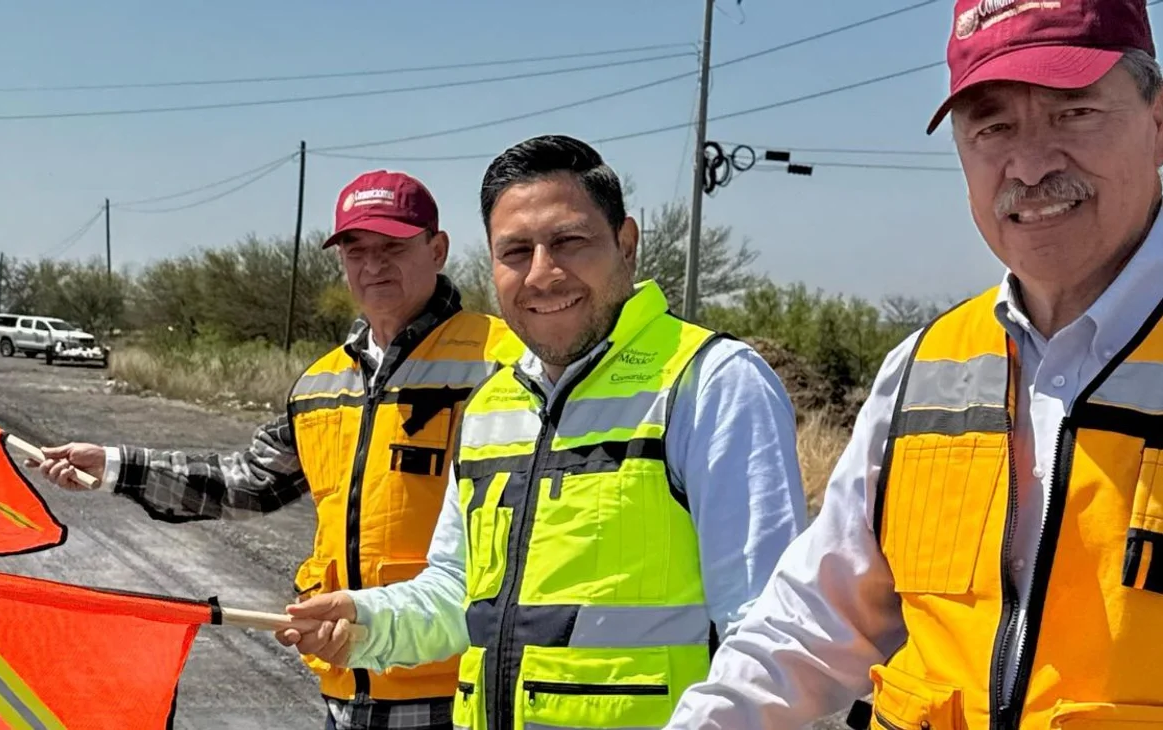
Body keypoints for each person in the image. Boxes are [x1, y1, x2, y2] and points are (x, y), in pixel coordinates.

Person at [664, 1, 1163, 729]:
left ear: (1158, 120)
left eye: (1074, 112)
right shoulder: (923, 369)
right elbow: (808, 628)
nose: (1028, 163)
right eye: (992, 127)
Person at [279, 135, 808, 730]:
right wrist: (365, 620)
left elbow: (771, 633)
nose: (542, 274)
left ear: (626, 244)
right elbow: (456, 596)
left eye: (568, 242)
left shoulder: (709, 384)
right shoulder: (492, 403)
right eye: (514, 252)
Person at [31, 170, 516, 730]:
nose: (373, 265)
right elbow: (246, 481)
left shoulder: (501, 363)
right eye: (356, 250)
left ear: (437, 249)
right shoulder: (321, 383)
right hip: (344, 683)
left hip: (458, 691)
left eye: (393, 247)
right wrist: (116, 466)